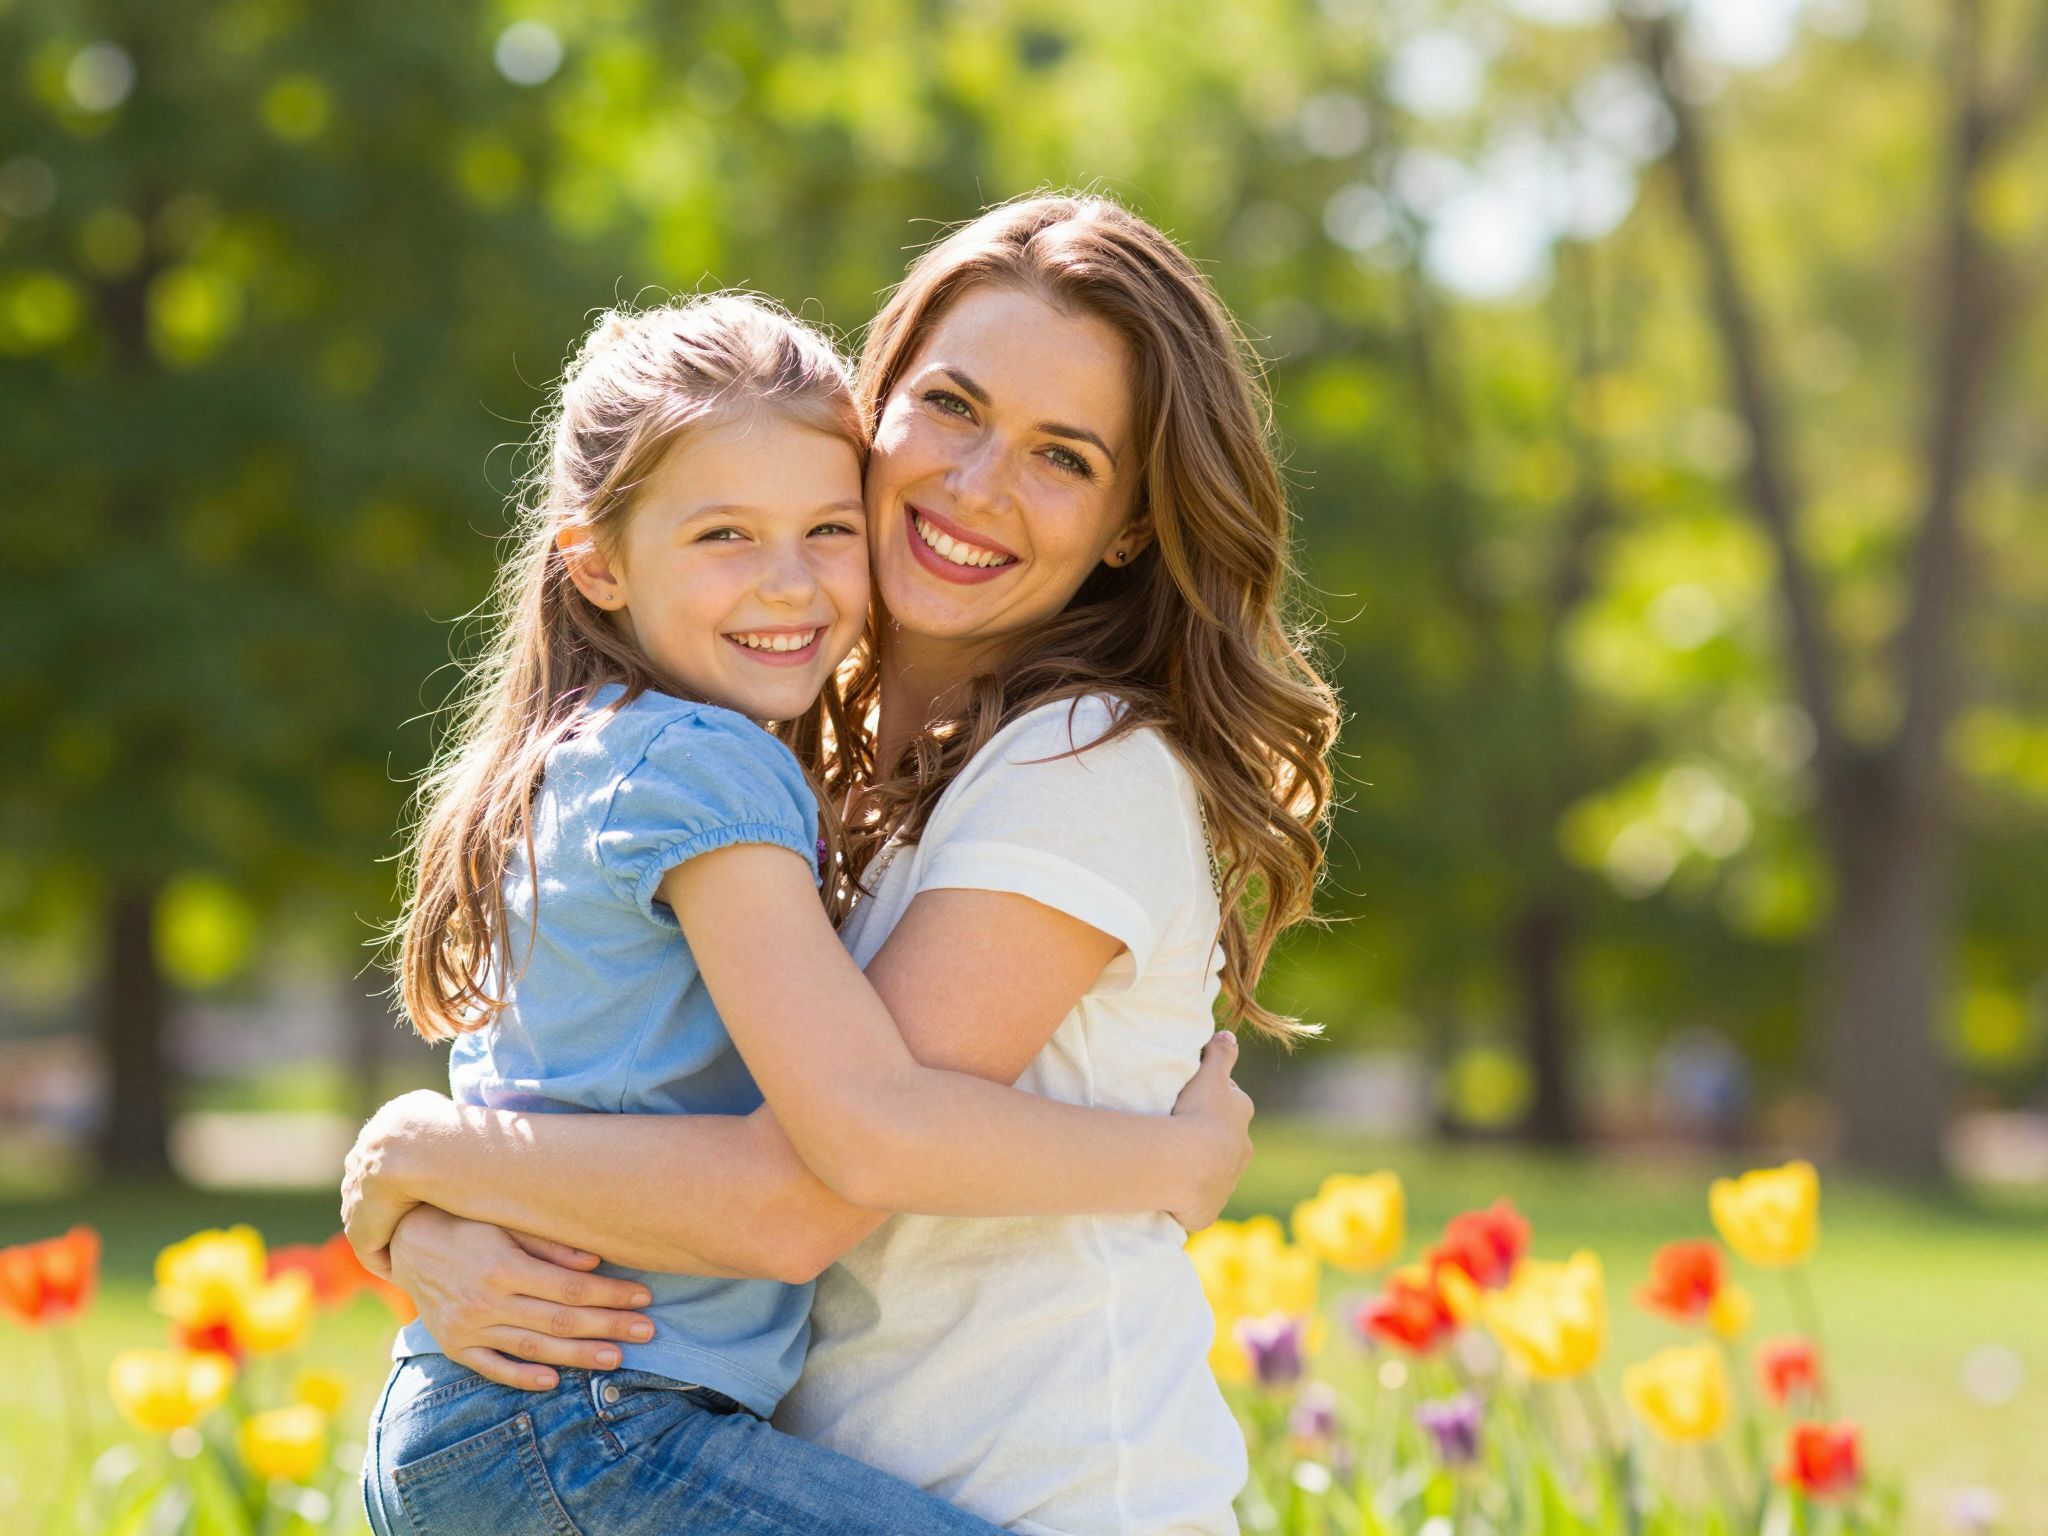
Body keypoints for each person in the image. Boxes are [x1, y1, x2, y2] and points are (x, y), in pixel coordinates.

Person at [346, 193, 1339, 1535]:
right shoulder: (776, 746)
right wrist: (419, 1201)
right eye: (953, 406)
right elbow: (627, 1087)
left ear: (1127, 526)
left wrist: (422, 1156)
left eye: (1064, 456)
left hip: (1051, 1500)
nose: (977, 484)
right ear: (869, 415)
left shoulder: (1076, 767)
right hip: (769, 1466)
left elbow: (800, 1191)